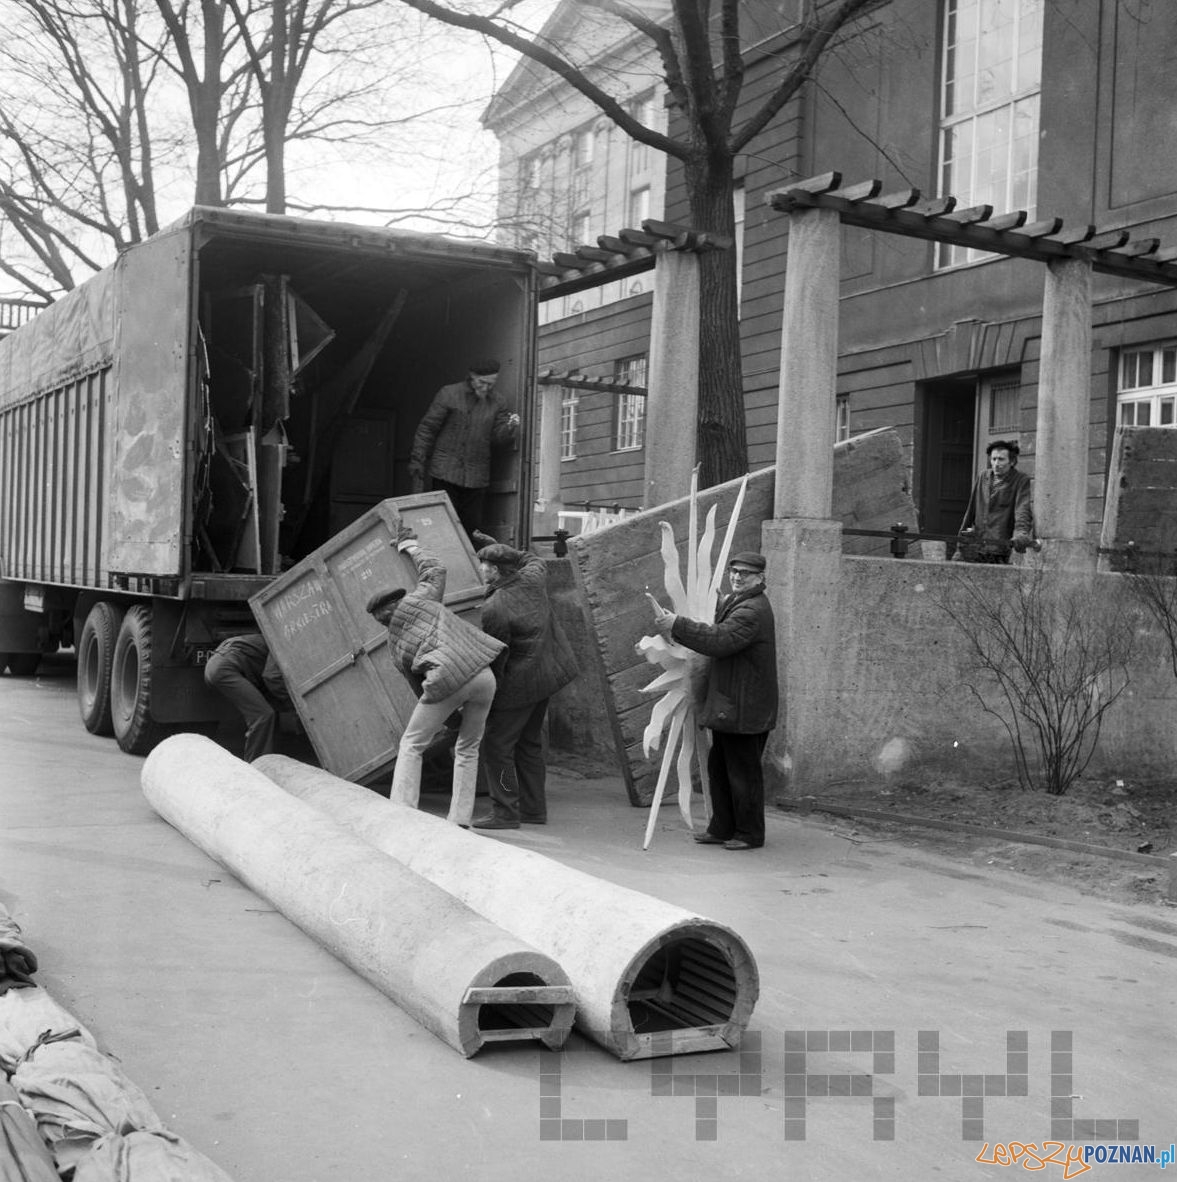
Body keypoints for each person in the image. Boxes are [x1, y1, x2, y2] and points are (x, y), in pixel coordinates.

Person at [365, 524, 505, 827]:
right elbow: (435, 569)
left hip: (446, 682)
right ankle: (460, 821)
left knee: (412, 743)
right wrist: (410, 546)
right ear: (398, 601)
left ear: (381, 619)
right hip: (484, 676)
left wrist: (449, 719)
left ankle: (402, 813)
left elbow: (420, 689)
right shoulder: (421, 600)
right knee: (469, 748)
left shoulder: (394, 645)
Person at [650, 551, 778, 851]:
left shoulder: (751, 611)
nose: (737, 577)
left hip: (744, 707)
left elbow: (720, 640)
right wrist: (720, 605)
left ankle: (748, 834)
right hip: (734, 704)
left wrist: (677, 624)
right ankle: (722, 828)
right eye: (734, 571)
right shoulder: (742, 602)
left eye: (744, 574)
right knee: (720, 767)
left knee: (742, 774)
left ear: (760, 578)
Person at [469, 538, 579, 830]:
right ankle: (533, 809)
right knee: (529, 744)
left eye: (487, 565)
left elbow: (498, 659)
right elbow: (533, 559)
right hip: (546, 677)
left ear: (497, 571)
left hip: (518, 686)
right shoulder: (532, 580)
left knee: (497, 747)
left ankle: (505, 811)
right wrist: (500, 547)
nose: (482, 569)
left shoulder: (495, 607)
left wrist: (491, 697)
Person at [409, 360, 521, 539]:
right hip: (445, 471)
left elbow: (497, 439)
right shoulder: (449, 394)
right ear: (472, 377)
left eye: (490, 385)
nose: (485, 388)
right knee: (444, 522)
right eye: (482, 383)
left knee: (471, 526)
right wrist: (417, 460)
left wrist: (509, 427)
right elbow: (428, 428)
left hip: (477, 475)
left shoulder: (498, 401)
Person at [204, 633, 290, 762]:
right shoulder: (282, 639)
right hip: (225, 669)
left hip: (219, 666)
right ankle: (258, 766)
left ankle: (267, 758)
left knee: (267, 710)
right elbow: (272, 677)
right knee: (263, 715)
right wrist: (293, 704)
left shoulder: (268, 636)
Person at [956, 439, 1034, 564]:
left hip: (999, 547)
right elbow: (971, 511)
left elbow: (1022, 510)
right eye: (993, 459)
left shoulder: (1020, 480)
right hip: (976, 545)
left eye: (1001, 459)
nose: (996, 463)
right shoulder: (983, 477)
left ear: (1012, 461)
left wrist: (1021, 533)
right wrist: (960, 541)